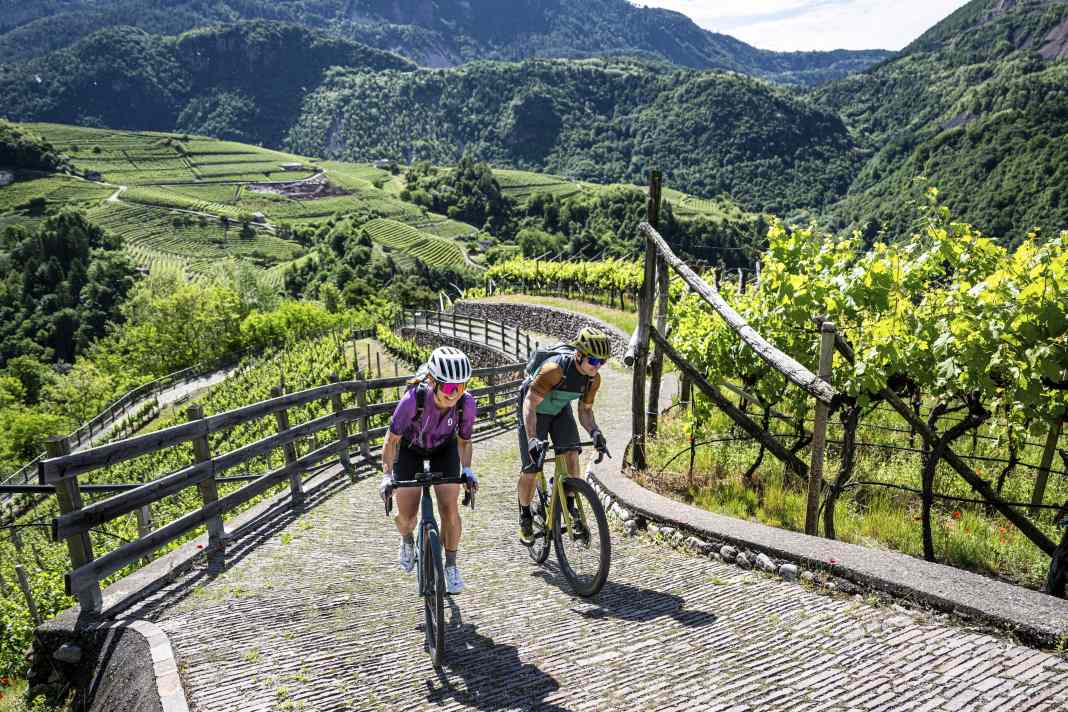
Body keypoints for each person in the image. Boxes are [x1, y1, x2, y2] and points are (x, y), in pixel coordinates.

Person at [380, 346, 478, 593]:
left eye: (461, 386)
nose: (454, 393)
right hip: (410, 450)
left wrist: (466, 470)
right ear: (433, 381)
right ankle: (406, 540)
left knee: (450, 510)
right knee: (408, 517)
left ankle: (451, 566)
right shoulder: (414, 399)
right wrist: (387, 476)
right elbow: (391, 441)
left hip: (443, 449)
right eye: (448, 387)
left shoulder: (465, 404)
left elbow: (465, 442)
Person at [516, 327, 612, 544]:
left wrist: (595, 432)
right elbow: (530, 403)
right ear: (579, 355)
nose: (597, 367)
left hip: (559, 409)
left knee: (571, 454)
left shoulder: (592, 380)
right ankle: (525, 515)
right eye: (594, 361)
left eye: (602, 362)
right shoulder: (555, 370)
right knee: (532, 468)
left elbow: (585, 411)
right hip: (534, 410)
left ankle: (568, 505)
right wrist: (532, 440)